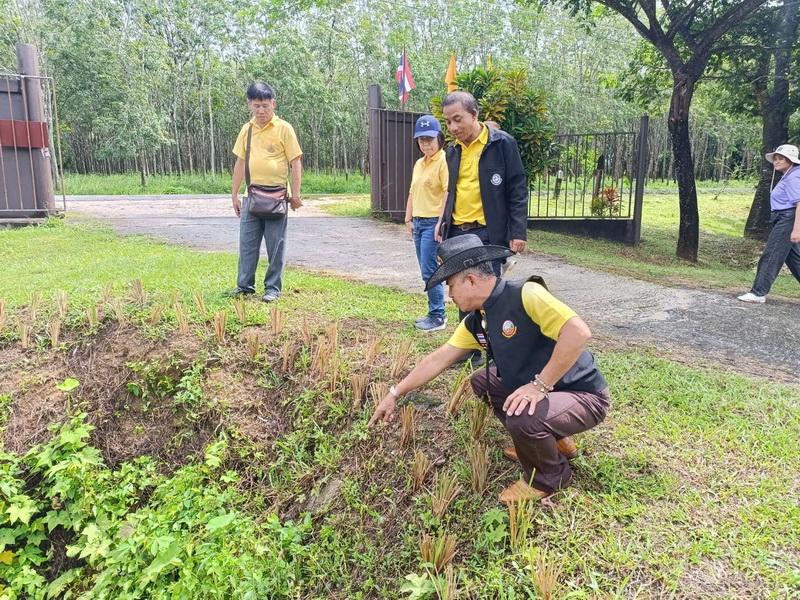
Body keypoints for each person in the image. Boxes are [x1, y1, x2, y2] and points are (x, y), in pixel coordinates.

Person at [369, 234, 610, 504]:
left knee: (522, 416)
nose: (449, 296)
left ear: (470, 280)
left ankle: (549, 476)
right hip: (550, 397)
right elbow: (438, 358)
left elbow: (578, 332)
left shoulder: (526, 294)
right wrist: (394, 392)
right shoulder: (478, 320)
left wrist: (539, 386)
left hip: (582, 395)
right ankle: (551, 443)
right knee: (484, 381)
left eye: (450, 286)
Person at [229, 82, 303, 302]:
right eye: (256, 105)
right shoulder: (247, 129)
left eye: (265, 106)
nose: (261, 111)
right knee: (247, 244)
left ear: (273, 104)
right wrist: (234, 194)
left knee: (276, 245)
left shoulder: (284, 128)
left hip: (277, 197)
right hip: (251, 195)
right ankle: (244, 286)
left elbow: (296, 162)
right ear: (250, 105)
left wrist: (296, 195)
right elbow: (240, 163)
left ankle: (272, 288)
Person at [737, 144, 800, 304]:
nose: (776, 161)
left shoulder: (793, 177)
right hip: (783, 217)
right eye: (776, 158)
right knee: (794, 259)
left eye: (781, 158)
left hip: (788, 218)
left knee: (771, 254)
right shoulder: (789, 174)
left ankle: (758, 292)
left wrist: (796, 230)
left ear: (790, 160)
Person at [405, 115, 448, 332]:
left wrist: (440, 223)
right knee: (425, 269)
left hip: (433, 222)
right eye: (421, 140)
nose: (426, 144)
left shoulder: (443, 161)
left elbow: (447, 192)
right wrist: (408, 218)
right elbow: (413, 191)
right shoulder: (419, 164)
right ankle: (434, 312)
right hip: (418, 223)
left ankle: (438, 315)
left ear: (439, 138)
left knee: (430, 270)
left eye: (429, 139)